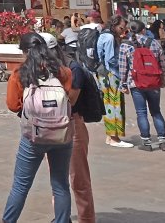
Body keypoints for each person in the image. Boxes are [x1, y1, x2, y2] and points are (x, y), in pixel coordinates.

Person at [1, 33, 76, 223]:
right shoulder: (63, 71)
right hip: (62, 135)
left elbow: (12, 105)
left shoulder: (20, 74)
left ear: (25, 51)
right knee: (60, 185)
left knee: (20, 186)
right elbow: (70, 99)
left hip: (33, 136)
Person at [50, 33, 99, 223]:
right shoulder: (46, 68)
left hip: (73, 124)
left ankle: (87, 218)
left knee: (78, 177)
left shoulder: (73, 68)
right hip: (52, 126)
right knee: (57, 177)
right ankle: (61, 217)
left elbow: (70, 100)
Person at [119, 19, 165, 152]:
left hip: (136, 83)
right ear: (144, 30)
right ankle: (163, 141)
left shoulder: (125, 46)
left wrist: (123, 84)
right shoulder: (154, 43)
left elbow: (123, 67)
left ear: (130, 30)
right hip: (154, 83)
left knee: (141, 113)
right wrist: (163, 79)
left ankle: (146, 142)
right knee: (156, 111)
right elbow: (163, 63)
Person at [97, 15, 133, 148]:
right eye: (121, 27)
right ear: (114, 25)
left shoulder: (103, 35)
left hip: (104, 74)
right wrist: (123, 64)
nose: (122, 30)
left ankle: (110, 135)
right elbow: (111, 58)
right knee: (115, 104)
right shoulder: (110, 37)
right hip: (112, 74)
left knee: (109, 105)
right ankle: (114, 137)